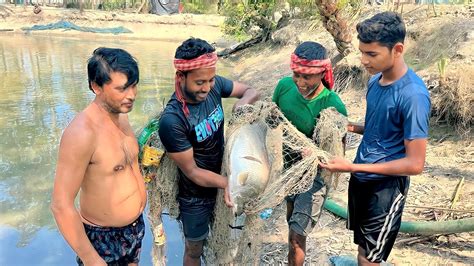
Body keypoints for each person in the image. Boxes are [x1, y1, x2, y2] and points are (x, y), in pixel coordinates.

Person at [321, 12, 431, 265]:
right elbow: (378, 128)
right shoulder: (375, 82)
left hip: (385, 190)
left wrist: (352, 167)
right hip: (361, 180)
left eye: (371, 54)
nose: (363, 60)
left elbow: (415, 164)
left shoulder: (413, 95)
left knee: (369, 257)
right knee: (362, 245)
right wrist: (350, 127)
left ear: (397, 49)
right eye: (362, 52)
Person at [158, 37, 260, 265]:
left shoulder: (213, 87)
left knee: (228, 243)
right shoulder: (172, 120)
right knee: (194, 250)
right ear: (181, 77)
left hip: (226, 176)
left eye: (211, 80)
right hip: (195, 196)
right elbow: (192, 171)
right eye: (199, 82)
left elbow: (251, 90)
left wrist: (243, 105)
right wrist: (228, 183)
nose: (206, 88)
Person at [51, 47, 147, 266]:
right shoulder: (81, 133)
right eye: (122, 88)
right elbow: (61, 205)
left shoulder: (121, 114)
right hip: (102, 239)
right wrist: (91, 259)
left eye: (133, 85)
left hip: (134, 229)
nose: (131, 95)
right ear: (96, 87)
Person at [272, 41, 347, 266]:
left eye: (307, 77)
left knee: (297, 237)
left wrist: (316, 153)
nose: (300, 82)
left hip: (314, 177)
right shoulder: (284, 87)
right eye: (296, 75)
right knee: (290, 221)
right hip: (289, 172)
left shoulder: (332, 105)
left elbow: (338, 154)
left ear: (322, 73)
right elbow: (274, 119)